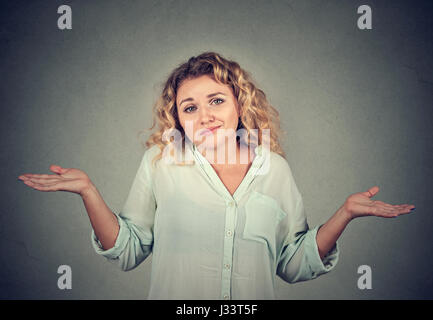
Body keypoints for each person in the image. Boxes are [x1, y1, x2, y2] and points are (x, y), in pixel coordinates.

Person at [17, 52, 415, 300]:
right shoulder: (162, 161)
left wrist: (344, 214)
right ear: (178, 120)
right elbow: (128, 250)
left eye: (216, 100)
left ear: (239, 105)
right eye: (189, 108)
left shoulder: (274, 169)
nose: (204, 114)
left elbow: (293, 263)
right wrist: (88, 190)